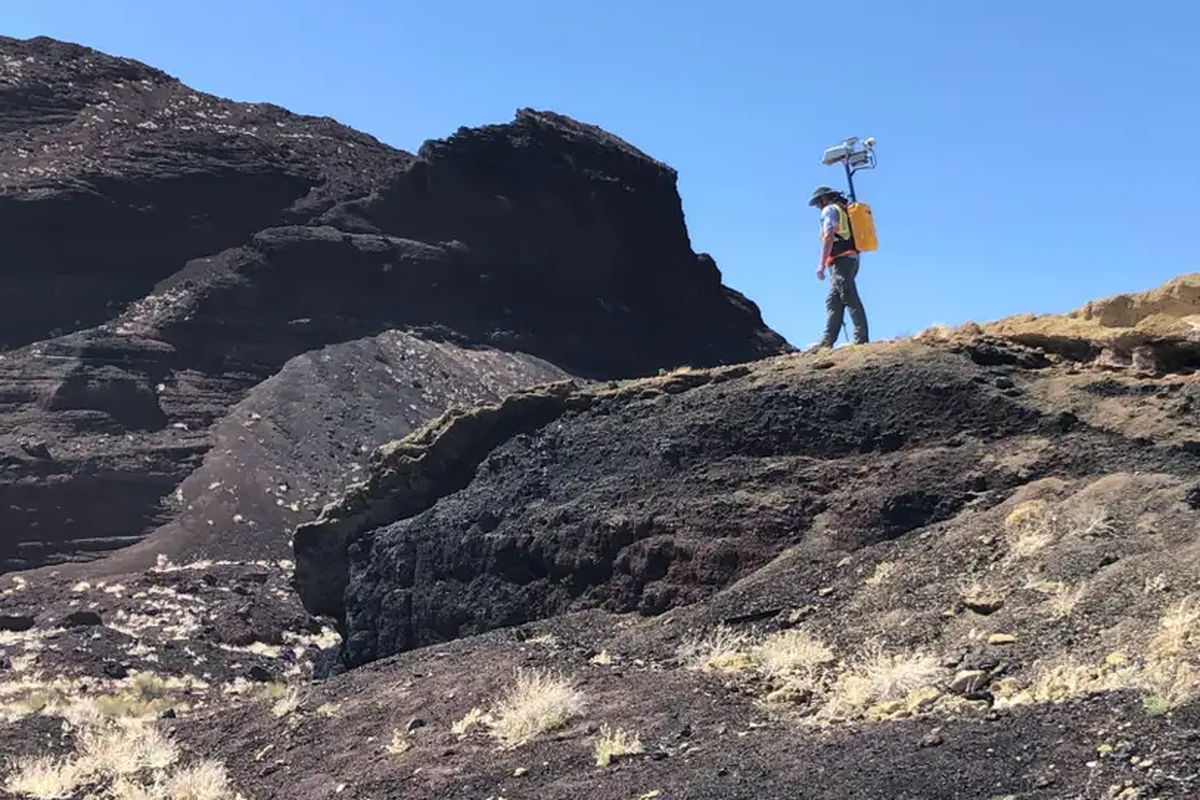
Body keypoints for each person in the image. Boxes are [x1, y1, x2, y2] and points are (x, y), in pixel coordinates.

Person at [808, 185, 869, 348]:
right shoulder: (843, 209)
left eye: (818, 203)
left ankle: (861, 339)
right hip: (852, 258)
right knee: (833, 300)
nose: (818, 207)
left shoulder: (829, 210)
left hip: (841, 260)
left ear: (823, 199)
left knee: (848, 296)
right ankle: (827, 341)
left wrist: (821, 263)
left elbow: (829, 235)